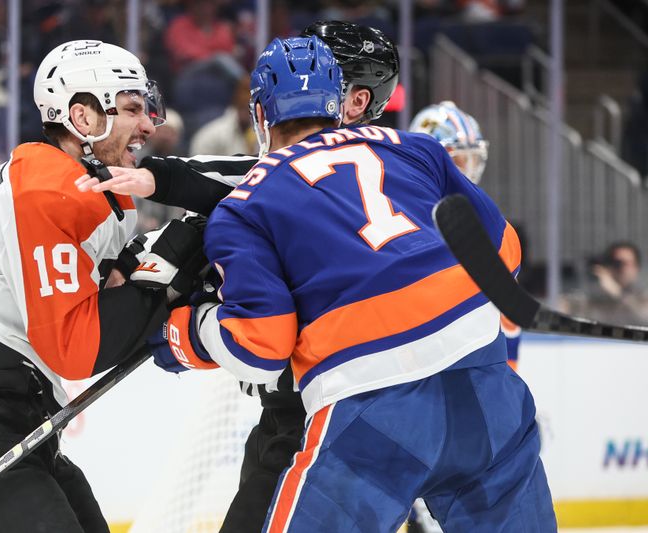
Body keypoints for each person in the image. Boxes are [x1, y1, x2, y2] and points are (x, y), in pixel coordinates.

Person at [149, 35, 556, 531]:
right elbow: (504, 255)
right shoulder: (417, 148)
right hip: (486, 385)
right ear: (340, 100)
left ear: (259, 113)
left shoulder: (245, 205)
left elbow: (260, 346)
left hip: (372, 407)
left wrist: (188, 332)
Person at [77, 21, 402, 533]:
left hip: (328, 409)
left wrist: (188, 332)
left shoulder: (312, 177)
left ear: (355, 101)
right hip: (331, 406)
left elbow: (252, 183)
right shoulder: (380, 169)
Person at [0, 40, 203, 533]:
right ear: (83, 117)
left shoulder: (85, 187)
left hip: (4, 406)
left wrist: (162, 266)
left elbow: (112, 291)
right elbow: (76, 348)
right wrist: (174, 265)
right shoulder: (47, 188)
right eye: (133, 108)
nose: (149, 124)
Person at [409, 100, 522, 370]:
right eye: (458, 161)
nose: (468, 172)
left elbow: (510, 324)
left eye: (472, 160)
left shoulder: (486, 224)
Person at [562, 241, 648, 325]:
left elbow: (644, 317)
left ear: (636, 267)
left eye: (624, 263)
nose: (620, 269)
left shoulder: (642, 296)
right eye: (616, 263)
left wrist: (617, 293)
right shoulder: (594, 296)